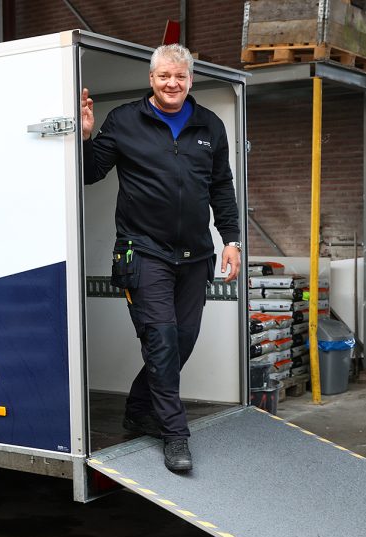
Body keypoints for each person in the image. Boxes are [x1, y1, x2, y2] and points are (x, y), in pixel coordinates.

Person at [81, 43, 241, 473]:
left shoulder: (209, 125)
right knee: (162, 341)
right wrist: (85, 136)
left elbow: (221, 186)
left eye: (180, 76)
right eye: (164, 76)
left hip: (196, 256)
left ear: (190, 79)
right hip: (143, 251)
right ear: (151, 78)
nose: (173, 83)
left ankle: (138, 409)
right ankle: (175, 434)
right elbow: (90, 173)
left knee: (180, 342)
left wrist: (232, 240)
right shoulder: (125, 120)